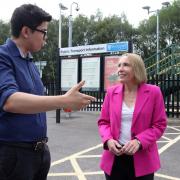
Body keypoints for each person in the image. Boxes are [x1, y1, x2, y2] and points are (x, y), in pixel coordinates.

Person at [0, 4, 96, 180]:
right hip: (15, 154)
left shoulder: (29, 62)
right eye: (43, 31)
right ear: (26, 31)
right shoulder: (3, 57)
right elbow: (10, 101)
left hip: (39, 152)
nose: (46, 37)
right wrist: (63, 101)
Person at [98, 53, 167, 180]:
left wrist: (139, 141)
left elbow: (159, 125)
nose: (120, 69)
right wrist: (108, 140)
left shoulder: (154, 92)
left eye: (125, 65)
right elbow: (103, 122)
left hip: (143, 159)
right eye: (119, 65)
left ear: (136, 68)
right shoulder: (111, 92)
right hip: (114, 157)